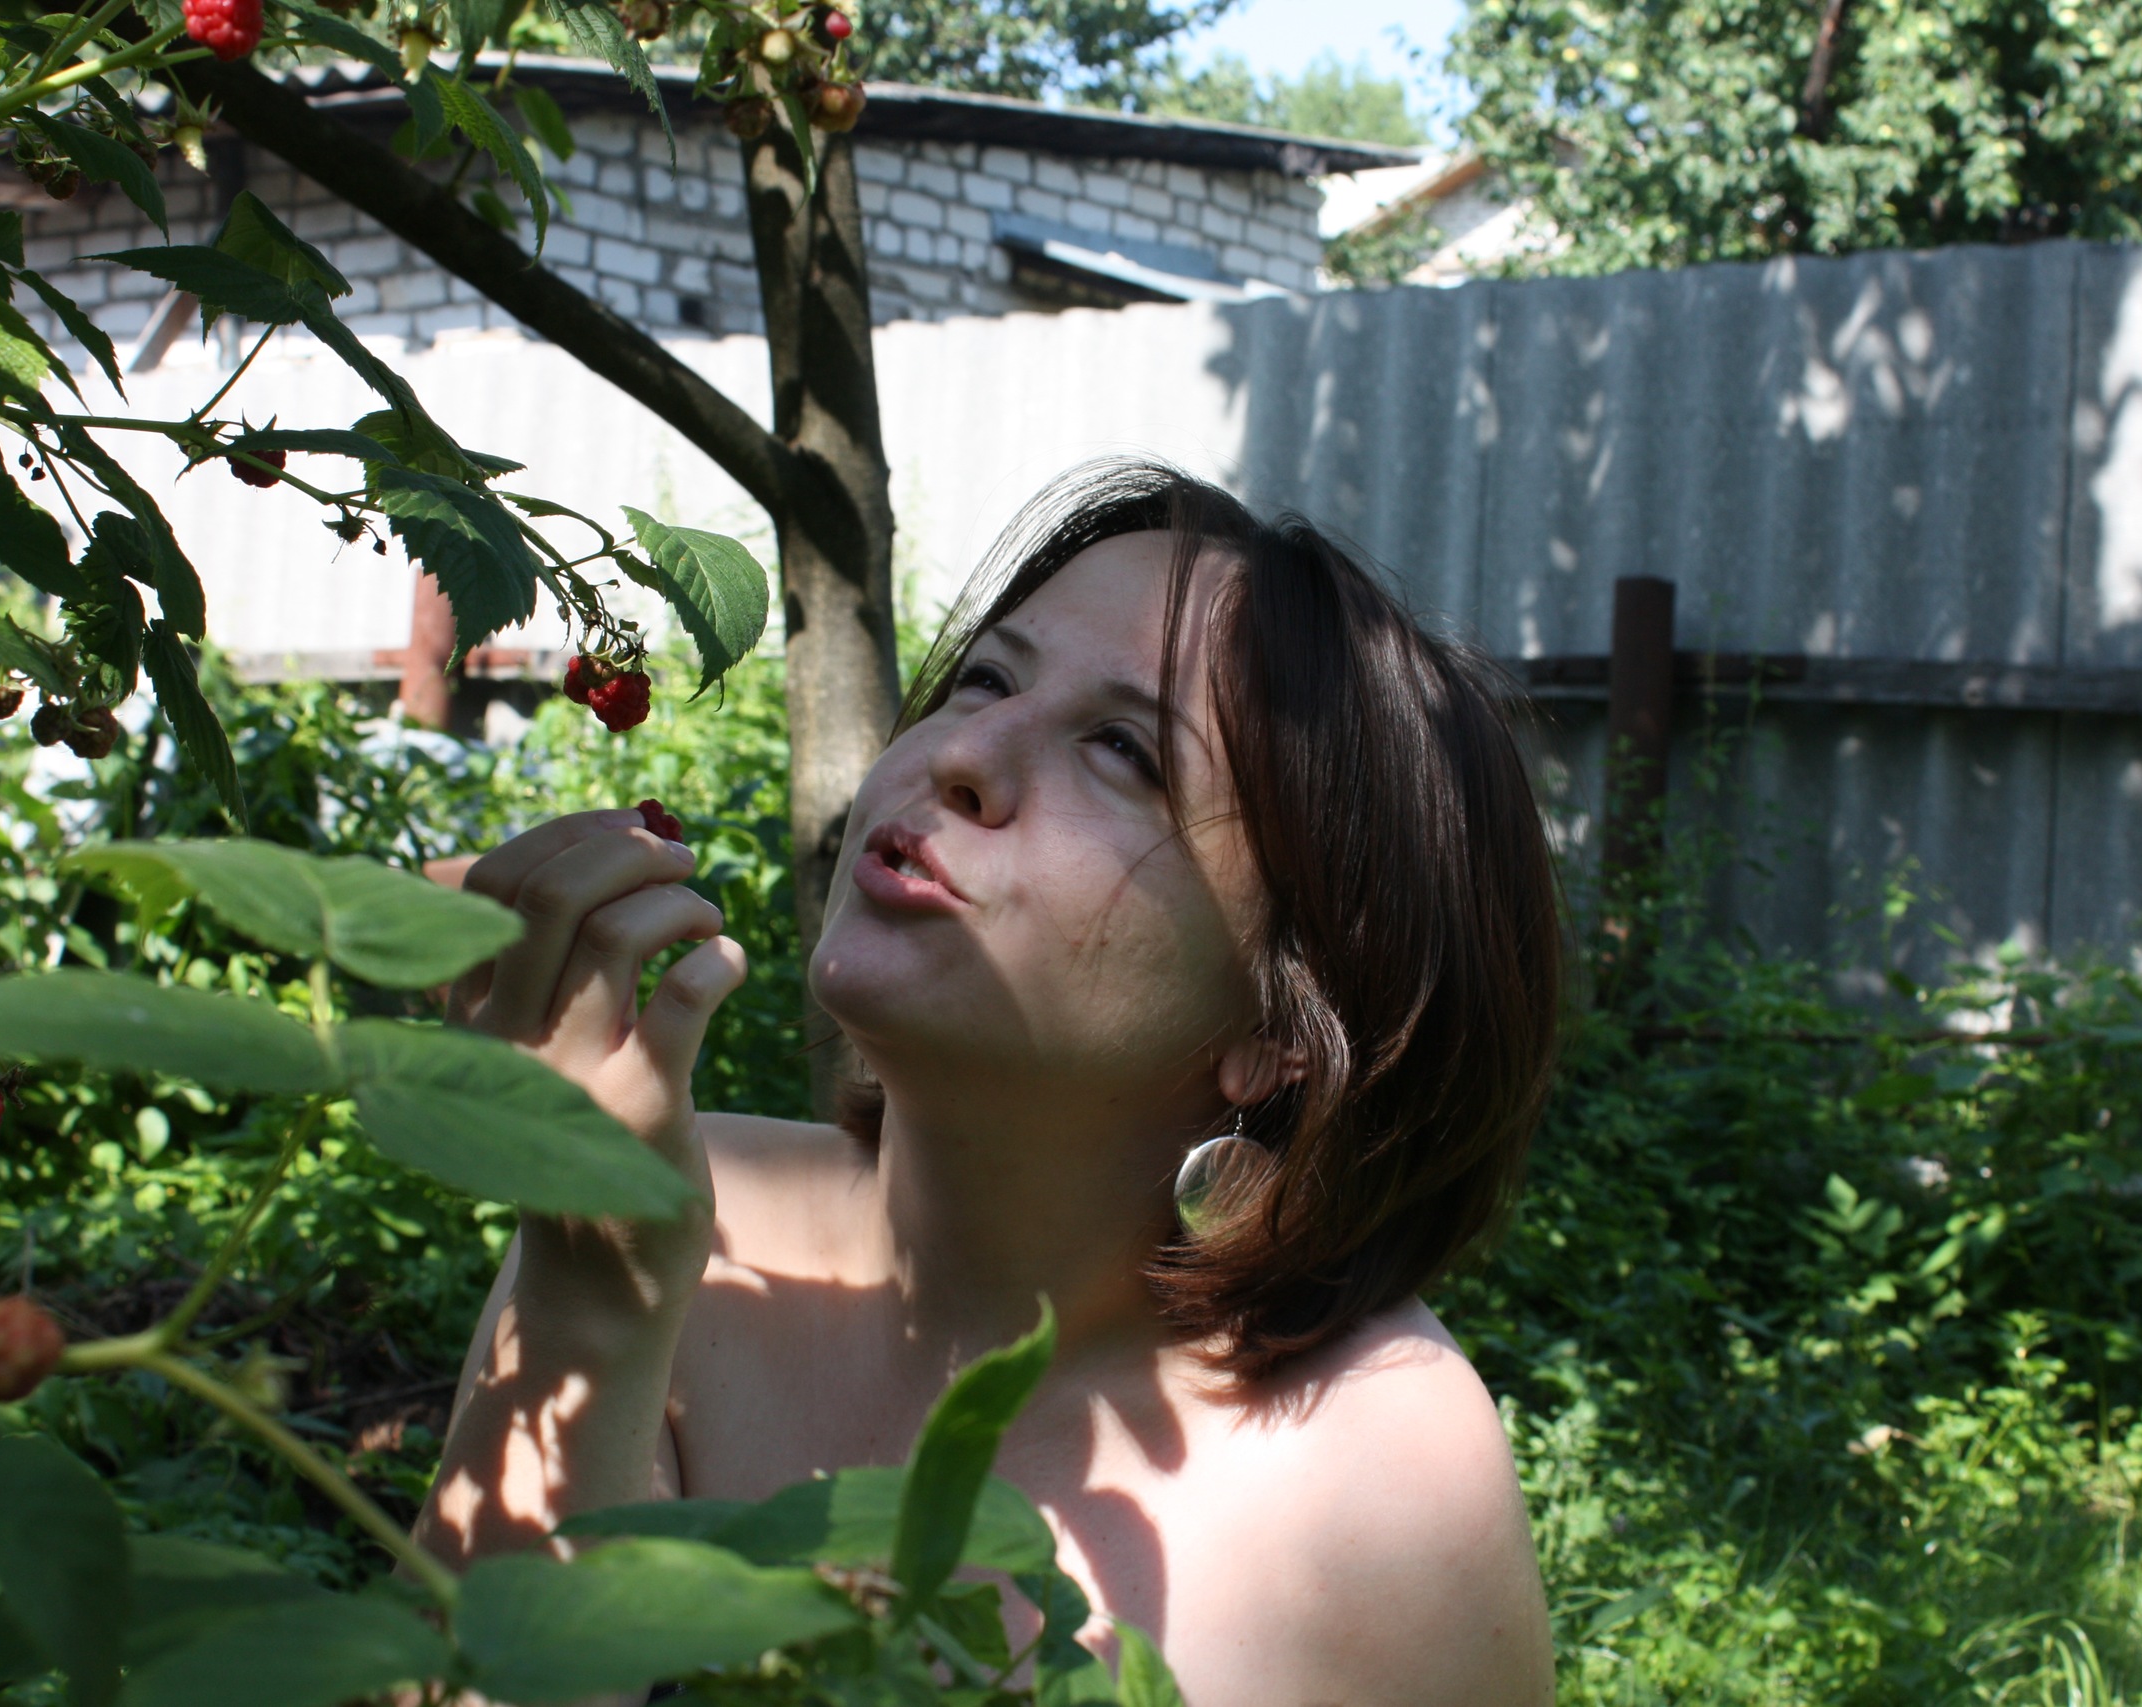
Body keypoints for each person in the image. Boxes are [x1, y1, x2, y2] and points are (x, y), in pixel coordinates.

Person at [414, 462, 1566, 1706]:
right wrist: (592, 1302)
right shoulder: (677, 1230)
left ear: (1289, 1022)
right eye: (985, 679)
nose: (962, 751)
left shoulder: (1378, 1483)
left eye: (1122, 749)